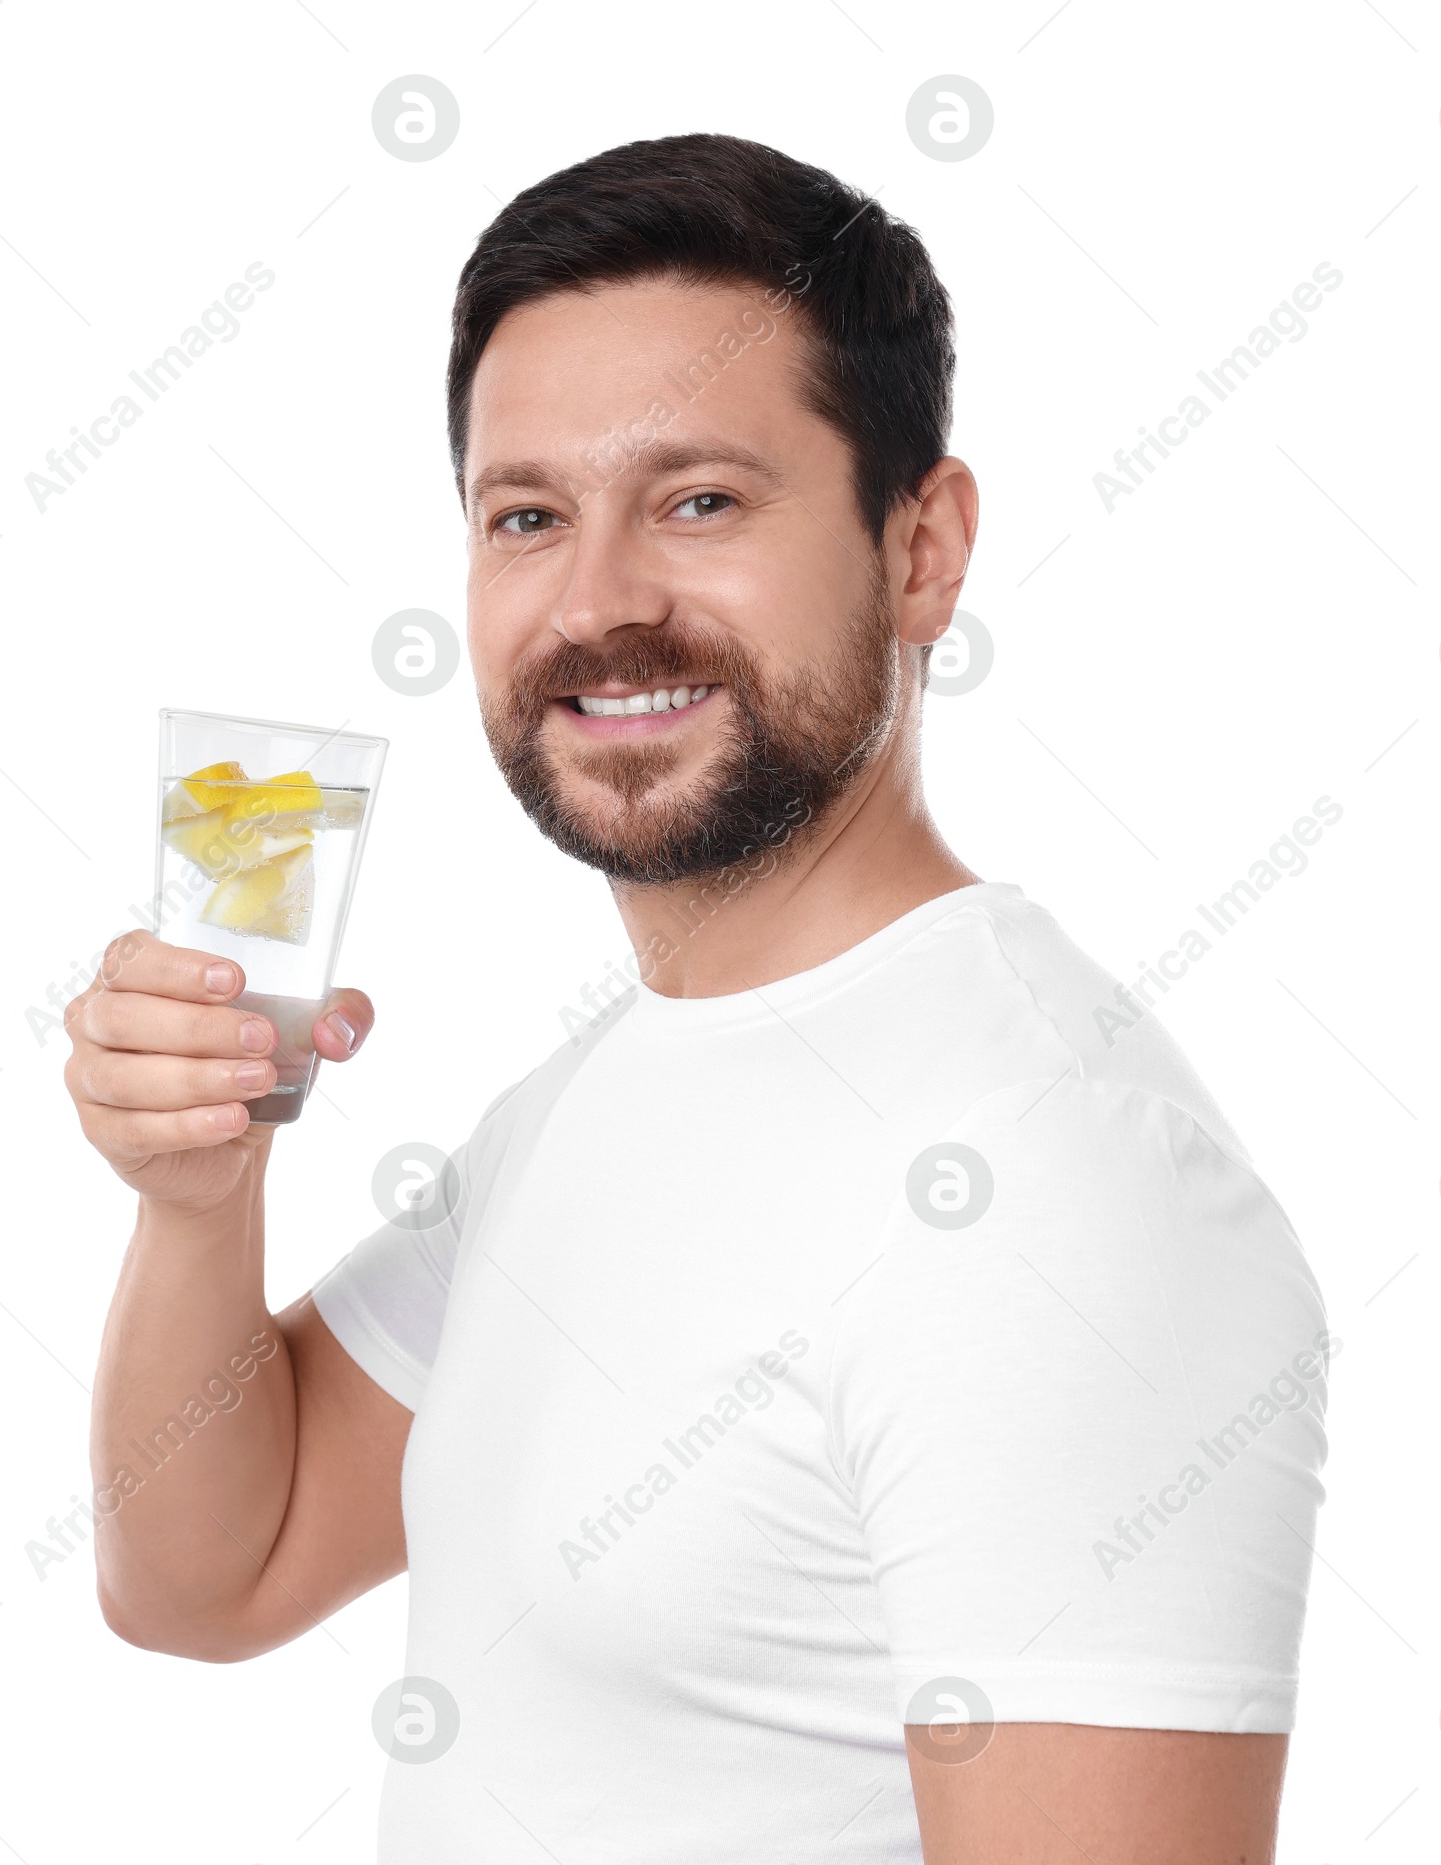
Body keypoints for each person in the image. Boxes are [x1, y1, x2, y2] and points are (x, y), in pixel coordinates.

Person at [65, 133, 1329, 1862]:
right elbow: (209, 1571)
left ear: (922, 550)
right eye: (528, 516)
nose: (598, 602)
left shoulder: (1051, 1177)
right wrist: (200, 1200)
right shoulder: (606, 1089)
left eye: (702, 501)